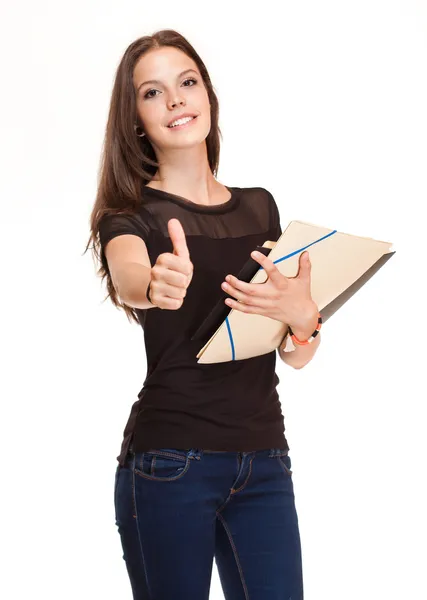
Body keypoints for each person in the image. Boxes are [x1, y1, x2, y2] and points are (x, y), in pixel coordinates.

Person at [86, 28, 321, 600]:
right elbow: (130, 275)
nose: (175, 100)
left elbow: (295, 356)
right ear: (136, 119)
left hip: (264, 461)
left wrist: (302, 315)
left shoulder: (261, 206)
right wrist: (154, 285)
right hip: (171, 464)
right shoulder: (130, 215)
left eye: (187, 82)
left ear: (208, 97)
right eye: (152, 92)